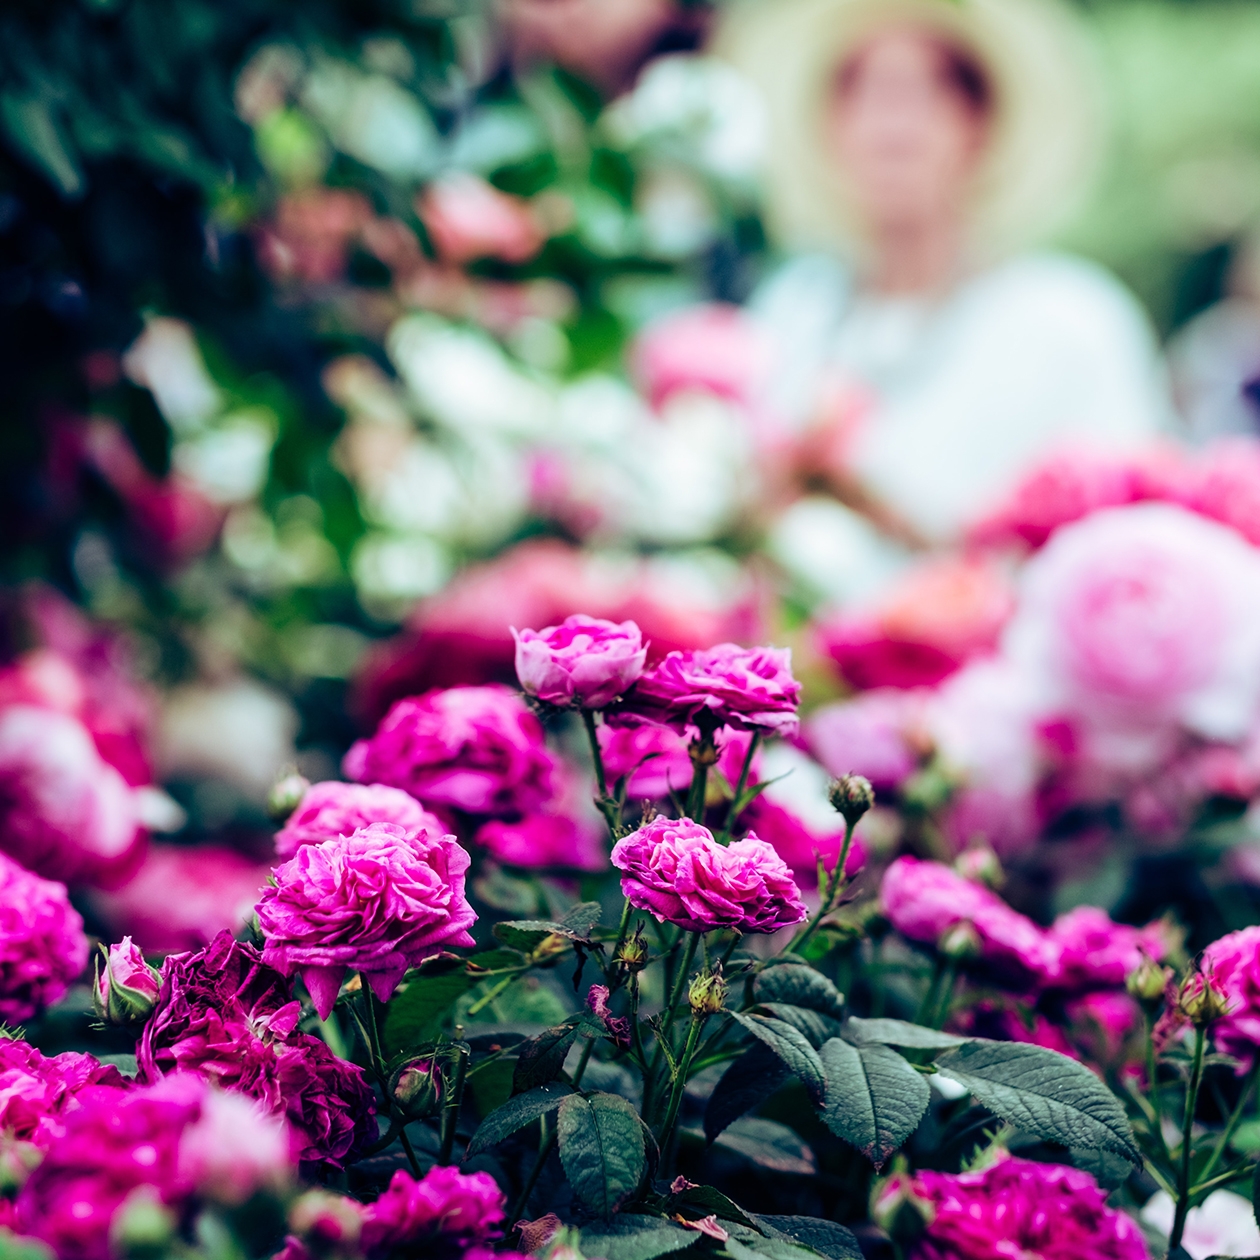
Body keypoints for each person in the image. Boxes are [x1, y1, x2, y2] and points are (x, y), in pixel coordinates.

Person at [714, 0, 1173, 603]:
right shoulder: (795, 309)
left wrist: (875, 508)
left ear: (980, 122)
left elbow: (1117, 550)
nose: (893, 125)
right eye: (862, 90)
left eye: (930, 89)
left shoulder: (1069, 319)